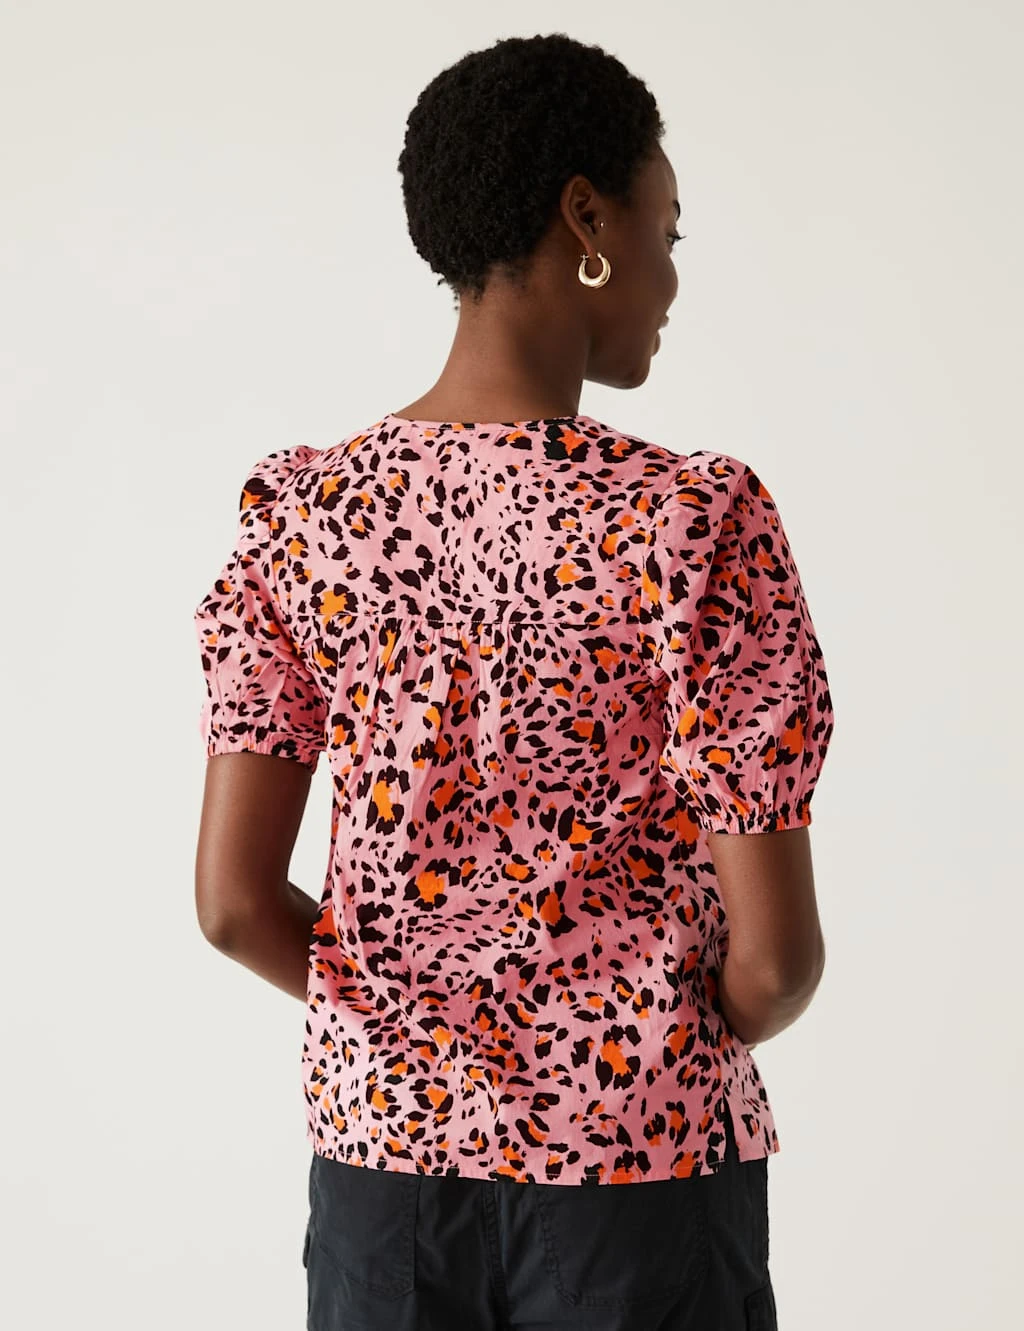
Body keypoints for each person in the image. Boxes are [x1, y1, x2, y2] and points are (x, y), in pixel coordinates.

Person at [193, 31, 834, 1331]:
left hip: (384, 1191)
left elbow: (232, 905)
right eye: (666, 228)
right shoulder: (689, 522)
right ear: (586, 218)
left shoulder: (307, 516)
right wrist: (615, 1044)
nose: (670, 274)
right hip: (640, 1184)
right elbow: (774, 965)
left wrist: (422, 1036)